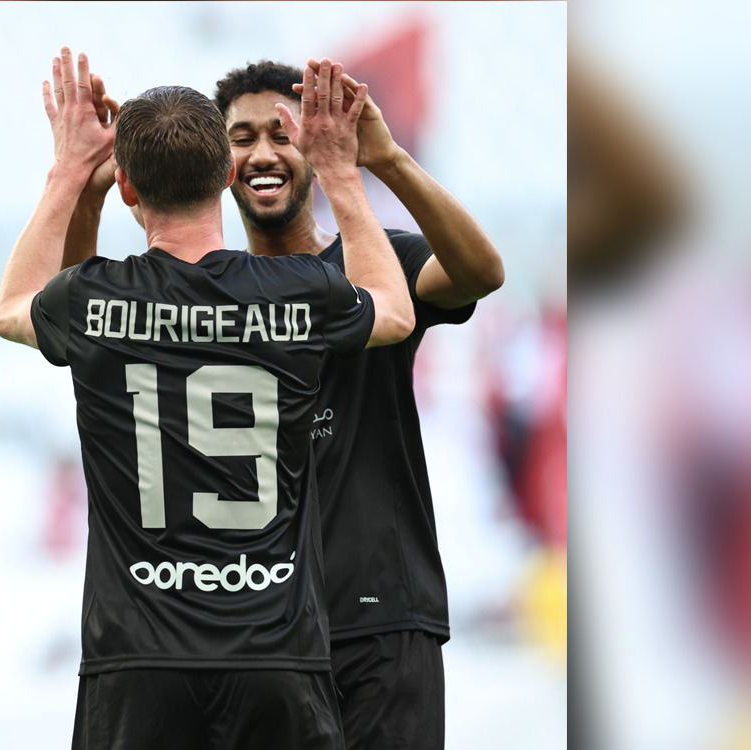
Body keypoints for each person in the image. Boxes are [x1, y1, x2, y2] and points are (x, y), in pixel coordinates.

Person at [64, 58, 504, 749]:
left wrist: (383, 160)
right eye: (241, 137)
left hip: (375, 614)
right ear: (216, 164)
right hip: (257, 631)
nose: (265, 152)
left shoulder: (371, 265)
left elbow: (481, 272)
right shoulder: (208, 300)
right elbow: (77, 310)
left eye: (284, 132)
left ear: (318, 143)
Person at [0, 49, 415, 750]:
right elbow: (394, 313)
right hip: (273, 653)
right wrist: (340, 171)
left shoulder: (94, 298)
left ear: (127, 188)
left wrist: (70, 173)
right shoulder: (298, 289)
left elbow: (12, 306)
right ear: (227, 176)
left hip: (137, 660)